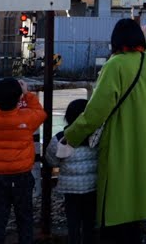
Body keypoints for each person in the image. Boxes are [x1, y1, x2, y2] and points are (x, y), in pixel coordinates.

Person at [63, 18, 146, 244]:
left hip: (120, 140)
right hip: (145, 143)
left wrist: (71, 136)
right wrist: (145, 40)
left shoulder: (114, 65)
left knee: (116, 204)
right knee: (136, 203)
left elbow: (96, 111)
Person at [0, 77, 48, 244]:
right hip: (21, 176)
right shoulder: (27, 118)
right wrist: (27, 94)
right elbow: (40, 112)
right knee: (25, 219)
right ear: (18, 99)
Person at [43, 98, 97, 244]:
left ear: (67, 117)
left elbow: (51, 160)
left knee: (73, 220)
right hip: (92, 186)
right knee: (89, 221)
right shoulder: (96, 136)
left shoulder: (61, 138)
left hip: (70, 189)